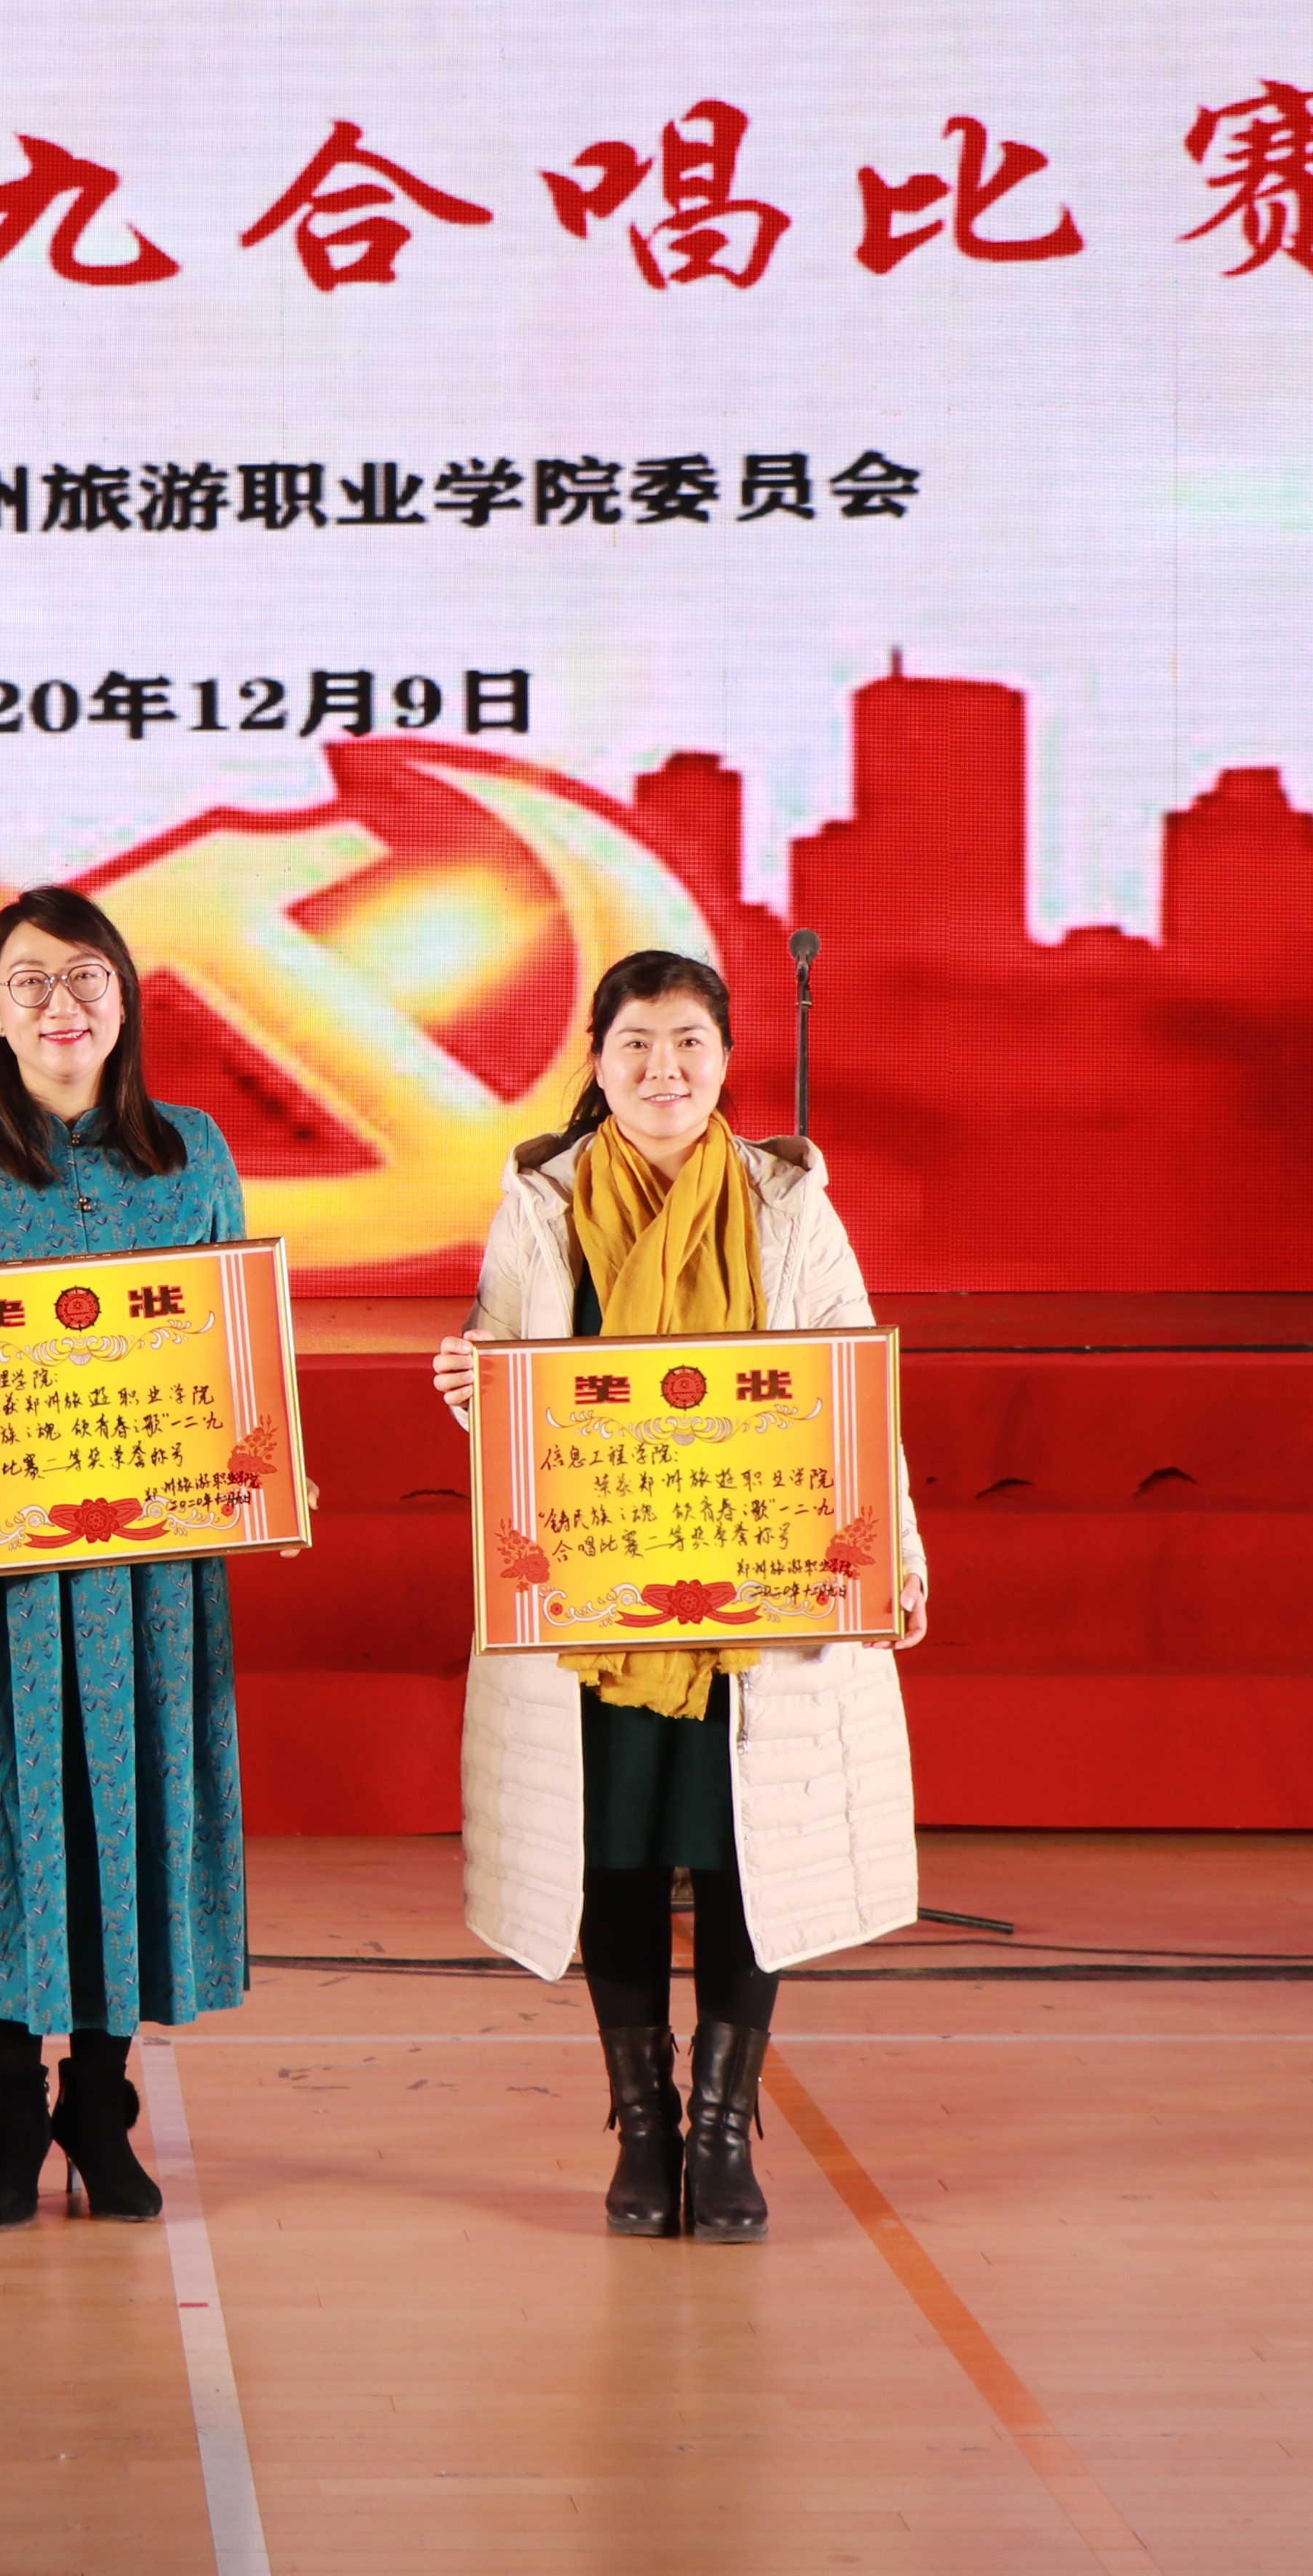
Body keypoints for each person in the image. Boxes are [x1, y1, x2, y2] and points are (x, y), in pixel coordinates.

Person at [429, 951, 928, 2245]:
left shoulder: (788, 1206)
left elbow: (856, 1398)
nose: (666, 1069)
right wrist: (473, 1388)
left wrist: (896, 1554)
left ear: (725, 1060)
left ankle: (723, 2127)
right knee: (616, 1855)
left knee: (749, 1854)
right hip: (597, 1605)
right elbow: (509, 1392)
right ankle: (644, 2128)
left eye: (691, 1043)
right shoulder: (542, 1207)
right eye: (638, 1044)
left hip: (753, 1595)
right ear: (597, 1062)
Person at [0, 886, 255, 2230]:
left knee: (124, 1810)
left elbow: (236, 1354)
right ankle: (10, 2109)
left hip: (150, 1575)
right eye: (28, 982)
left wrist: (265, 1460)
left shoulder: (194, 1153)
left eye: (86, 976)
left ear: (127, 997)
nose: (60, 1006)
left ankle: (100, 2101)